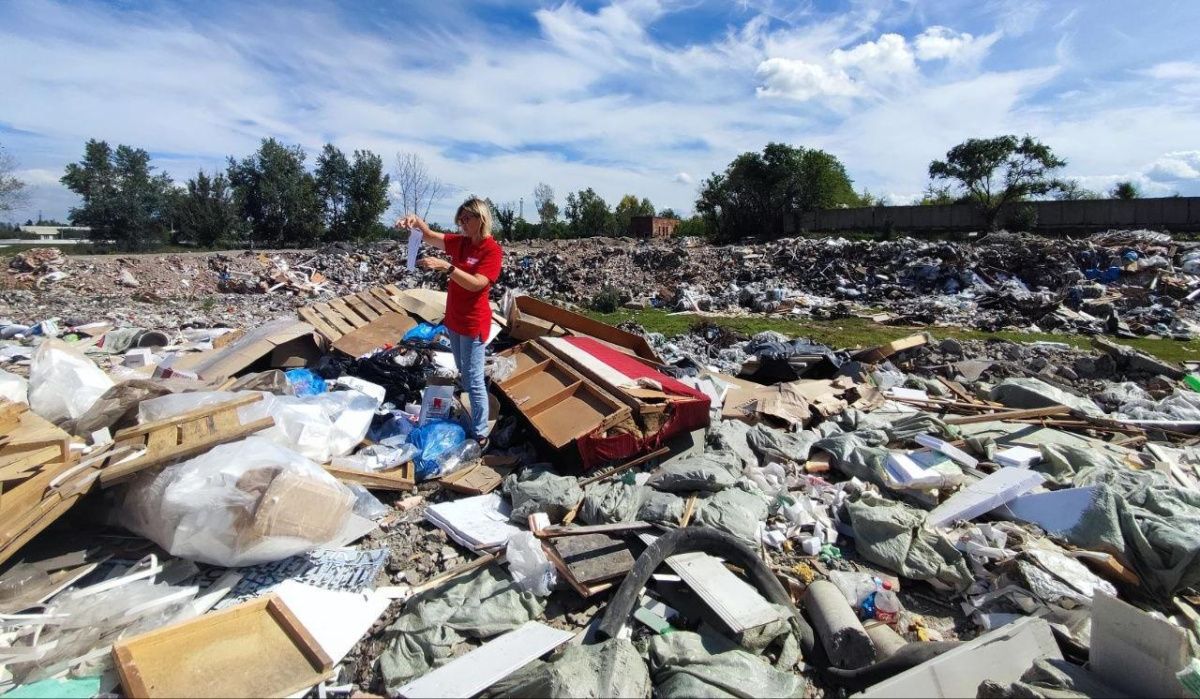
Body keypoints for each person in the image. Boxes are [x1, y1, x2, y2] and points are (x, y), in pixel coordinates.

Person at [397, 197, 503, 448]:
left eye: (467, 218)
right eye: (460, 218)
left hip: (474, 323)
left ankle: (480, 434)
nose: (462, 223)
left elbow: (478, 283)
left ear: (481, 219)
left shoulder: (491, 250)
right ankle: (470, 413)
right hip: (454, 320)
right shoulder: (460, 243)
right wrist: (415, 222)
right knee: (463, 371)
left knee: (473, 378)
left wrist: (448, 269)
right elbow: (430, 236)